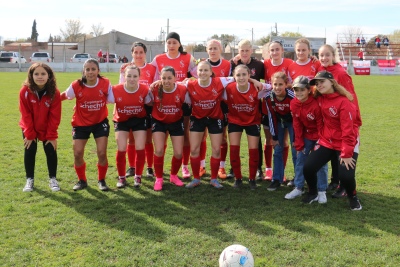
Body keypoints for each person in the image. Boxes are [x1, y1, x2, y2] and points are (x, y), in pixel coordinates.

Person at [302, 71, 362, 211]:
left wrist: (346, 154)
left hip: (347, 142)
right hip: (327, 141)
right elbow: (301, 96)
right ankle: (312, 193)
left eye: (322, 82)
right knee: (308, 168)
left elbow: (349, 129)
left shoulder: (344, 102)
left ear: (332, 82)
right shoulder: (320, 98)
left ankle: (353, 197)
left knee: (345, 176)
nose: (319, 85)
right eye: (317, 84)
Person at [61, 59, 113, 191]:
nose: (90, 72)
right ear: (83, 71)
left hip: (100, 122)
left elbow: (112, 98)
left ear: (98, 71)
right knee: (78, 153)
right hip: (80, 124)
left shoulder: (105, 83)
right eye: (87, 69)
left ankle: (101, 180)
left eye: (93, 69)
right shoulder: (76, 85)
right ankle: (82, 180)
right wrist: (49, 100)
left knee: (102, 153)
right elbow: (65, 96)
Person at [151, 32, 197, 179]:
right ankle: (161, 169)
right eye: (168, 42)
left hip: (181, 100)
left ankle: (184, 166)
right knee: (161, 137)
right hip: (163, 100)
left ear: (179, 44)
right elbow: (150, 75)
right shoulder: (158, 59)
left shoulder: (188, 57)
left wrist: (187, 82)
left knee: (185, 136)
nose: (171, 45)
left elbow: (198, 74)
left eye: (174, 42)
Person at [318, 44, 362, 195]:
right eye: (321, 55)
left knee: (341, 151)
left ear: (333, 55)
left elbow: (352, 98)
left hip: (343, 118)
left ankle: (344, 185)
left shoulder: (341, 73)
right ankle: (335, 181)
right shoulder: (321, 71)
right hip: (329, 120)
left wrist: (356, 122)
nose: (324, 58)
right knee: (333, 151)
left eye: (327, 55)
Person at [184, 61, 229, 189]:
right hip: (197, 118)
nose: (203, 73)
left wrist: (255, 82)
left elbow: (238, 77)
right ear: (196, 73)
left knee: (216, 149)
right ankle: (196, 179)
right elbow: (173, 84)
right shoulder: (190, 84)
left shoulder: (220, 82)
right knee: (194, 149)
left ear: (210, 72)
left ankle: (214, 179)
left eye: (205, 70)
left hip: (215, 118)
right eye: (200, 70)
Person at [284, 76, 328, 203]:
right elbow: (296, 124)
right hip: (306, 137)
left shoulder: (316, 103)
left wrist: (321, 142)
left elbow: (321, 123)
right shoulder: (294, 103)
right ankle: (298, 187)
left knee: (321, 163)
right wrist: (299, 142)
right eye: (296, 90)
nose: (299, 93)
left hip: (320, 137)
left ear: (309, 90)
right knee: (300, 160)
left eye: (302, 90)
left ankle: (321, 190)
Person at [19, 63, 61, 192]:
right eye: (36, 74)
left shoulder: (54, 92)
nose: (40, 76)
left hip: (47, 127)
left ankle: (53, 179)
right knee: (30, 150)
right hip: (29, 127)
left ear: (49, 76)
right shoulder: (25, 91)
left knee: (50, 150)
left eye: (43, 74)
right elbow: (25, 114)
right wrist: (30, 135)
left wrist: (51, 135)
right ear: (31, 76)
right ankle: (29, 179)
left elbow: (55, 116)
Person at [225, 64, 269, 189]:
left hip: (253, 121)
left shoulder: (257, 88)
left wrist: (254, 81)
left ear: (249, 76)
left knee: (253, 150)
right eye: (238, 75)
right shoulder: (229, 88)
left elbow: (272, 87)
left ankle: (251, 179)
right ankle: (238, 178)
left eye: (244, 74)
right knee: (234, 149)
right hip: (234, 120)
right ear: (234, 76)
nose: (241, 77)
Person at [120, 42, 157, 180]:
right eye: (136, 52)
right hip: (129, 106)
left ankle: (149, 167)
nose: (138, 55)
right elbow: (120, 86)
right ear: (132, 53)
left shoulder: (152, 69)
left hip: (147, 107)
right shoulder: (125, 68)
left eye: (141, 52)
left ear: (145, 53)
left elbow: (156, 86)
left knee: (147, 139)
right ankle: (132, 167)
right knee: (131, 139)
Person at [229, 39, 265, 181]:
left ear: (251, 50)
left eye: (246, 50)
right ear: (238, 51)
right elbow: (229, 80)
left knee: (256, 144)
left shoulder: (259, 65)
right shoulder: (233, 63)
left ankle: (258, 170)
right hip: (235, 108)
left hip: (253, 109)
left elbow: (268, 83)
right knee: (234, 145)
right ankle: (234, 170)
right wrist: (252, 80)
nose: (244, 53)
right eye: (241, 50)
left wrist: (255, 82)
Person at [111, 65, 152, 188]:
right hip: (121, 121)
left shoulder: (145, 89)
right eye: (129, 76)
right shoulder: (115, 89)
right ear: (124, 76)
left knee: (140, 147)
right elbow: (102, 100)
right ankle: (122, 178)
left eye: (135, 76)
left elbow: (152, 103)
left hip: (139, 120)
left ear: (139, 77)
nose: (132, 79)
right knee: (122, 148)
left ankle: (138, 177)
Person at [149, 66, 186, 191]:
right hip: (159, 122)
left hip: (176, 122)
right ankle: (159, 178)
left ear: (175, 78)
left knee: (178, 153)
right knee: (159, 150)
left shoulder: (182, 89)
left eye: (169, 78)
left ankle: (173, 176)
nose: (166, 81)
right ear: (160, 78)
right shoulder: (154, 88)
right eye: (164, 78)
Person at [262, 41, 294, 182]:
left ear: (282, 50)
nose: (274, 52)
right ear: (269, 52)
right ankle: (269, 170)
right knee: (269, 139)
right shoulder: (265, 64)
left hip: (287, 105)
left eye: (277, 50)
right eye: (272, 50)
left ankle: (281, 172)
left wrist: (314, 59)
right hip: (270, 104)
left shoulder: (290, 62)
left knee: (284, 141)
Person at [264, 72, 296, 191]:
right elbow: (271, 117)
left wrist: (296, 138)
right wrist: (275, 137)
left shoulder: (292, 96)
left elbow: (297, 117)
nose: (277, 87)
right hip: (279, 121)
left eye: (280, 84)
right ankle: (276, 179)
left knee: (296, 150)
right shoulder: (268, 97)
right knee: (277, 149)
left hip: (293, 121)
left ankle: (298, 180)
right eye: (275, 84)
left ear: (286, 84)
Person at [206, 39, 232, 179]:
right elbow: (190, 76)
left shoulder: (228, 64)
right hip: (205, 104)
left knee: (222, 136)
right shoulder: (202, 64)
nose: (213, 51)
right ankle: (202, 166)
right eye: (210, 48)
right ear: (207, 50)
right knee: (202, 135)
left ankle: (221, 167)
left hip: (222, 104)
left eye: (215, 48)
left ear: (220, 50)